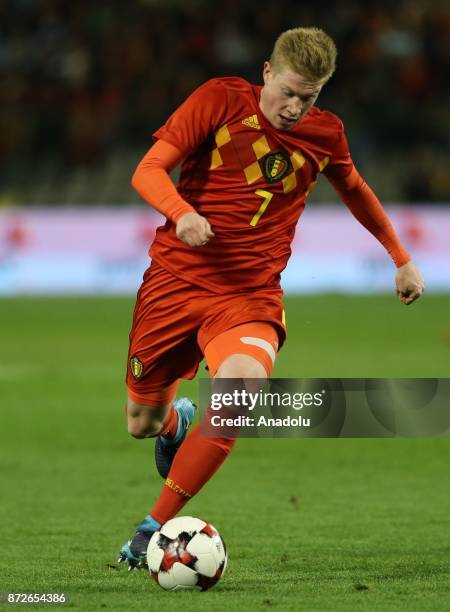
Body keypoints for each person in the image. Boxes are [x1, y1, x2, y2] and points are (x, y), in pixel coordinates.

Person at [118, 27, 424, 569]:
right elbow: (147, 170)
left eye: (308, 97)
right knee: (142, 422)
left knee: (240, 393)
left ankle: (154, 527)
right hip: (175, 282)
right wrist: (182, 212)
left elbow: (357, 191)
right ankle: (176, 425)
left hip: (249, 296)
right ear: (266, 72)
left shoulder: (326, 135)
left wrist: (400, 258)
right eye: (287, 90)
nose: (293, 107)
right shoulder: (219, 99)